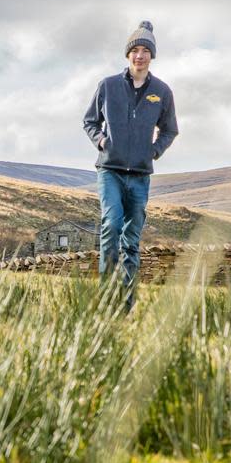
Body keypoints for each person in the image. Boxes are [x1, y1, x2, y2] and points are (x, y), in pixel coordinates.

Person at [83, 20, 178, 310]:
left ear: (152, 56)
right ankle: (106, 297)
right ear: (127, 55)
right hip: (110, 171)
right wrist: (100, 140)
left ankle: (126, 303)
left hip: (139, 176)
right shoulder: (108, 86)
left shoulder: (161, 91)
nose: (140, 56)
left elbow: (170, 129)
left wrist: (153, 151)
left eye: (145, 51)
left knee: (131, 239)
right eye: (135, 50)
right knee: (111, 225)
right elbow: (89, 121)